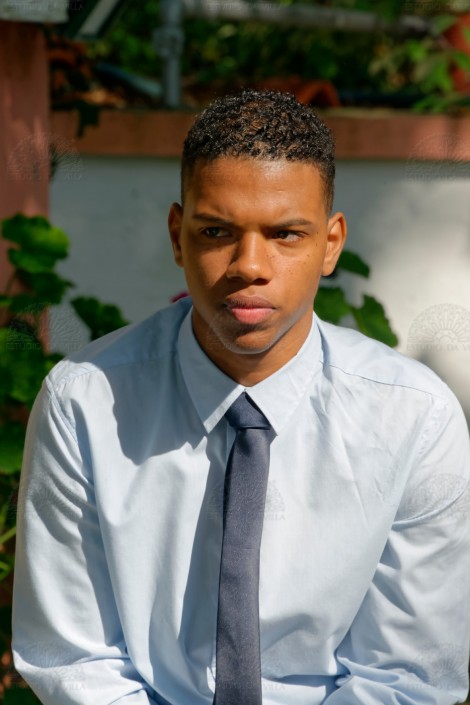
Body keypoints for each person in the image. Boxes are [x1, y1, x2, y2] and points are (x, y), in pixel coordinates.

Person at [12, 89, 470, 705]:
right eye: (216, 231)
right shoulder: (84, 404)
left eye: (285, 234)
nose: (249, 265)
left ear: (331, 244)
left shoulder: (414, 418)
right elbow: (75, 659)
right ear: (177, 236)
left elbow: (408, 676)